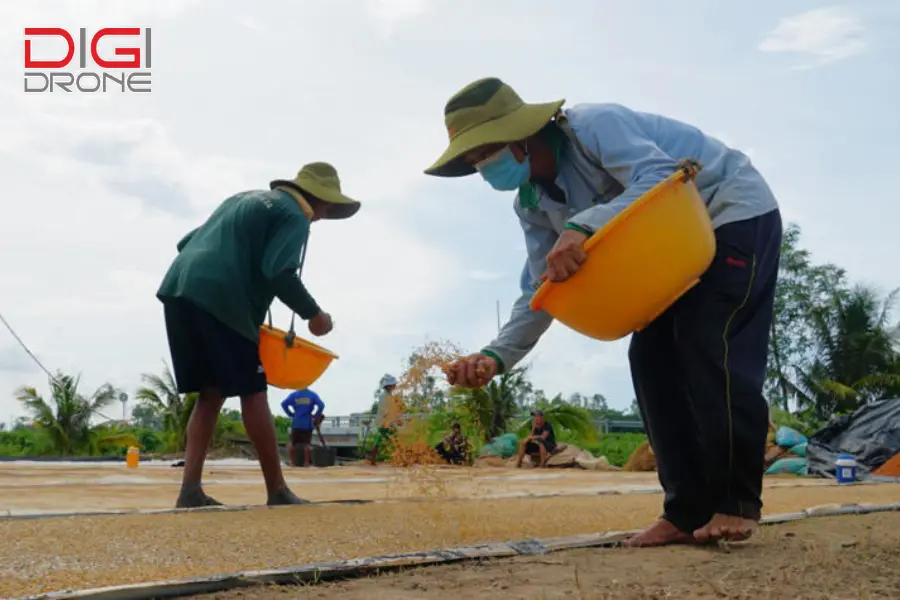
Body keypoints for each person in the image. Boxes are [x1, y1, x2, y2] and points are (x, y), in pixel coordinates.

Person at [429, 78, 782, 547]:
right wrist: (496, 357)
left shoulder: (593, 126)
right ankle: (685, 509)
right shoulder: (532, 204)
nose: (482, 166)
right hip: (665, 249)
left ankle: (736, 502)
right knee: (650, 356)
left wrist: (582, 226)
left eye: (485, 151)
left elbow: (664, 174)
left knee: (706, 338)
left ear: (521, 133)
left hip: (727, 213)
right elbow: (544, 287)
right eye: (473, 160)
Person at [156, 162, 361, 508]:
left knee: (211, 392)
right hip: (222, 298)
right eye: (327, 208)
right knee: (253, 390)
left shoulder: (242, 199)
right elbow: (279, 272)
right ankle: (277, 490)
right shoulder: (295, 215)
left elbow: (185, 243)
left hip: (179, 288)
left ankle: (189, 490)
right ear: (319, 199)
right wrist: (315, 315)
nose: (323, 217)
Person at [281, 387, 326, 467]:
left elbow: (283, 404)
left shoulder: (294, 395)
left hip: (296, 422)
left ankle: (292, 462)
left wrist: (290, 414)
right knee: (307, 444)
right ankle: (306, 463)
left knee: (293, 443)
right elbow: (321, 405)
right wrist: (316, 416)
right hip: (307, 423)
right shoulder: (312, 395)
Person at [367, 374, 400, 464]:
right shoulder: (384, 396)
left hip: (387, 421)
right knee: (394, 439)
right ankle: (400, 458)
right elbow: (386, 410)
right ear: (388, 386)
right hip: (384, 422)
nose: (394, 386)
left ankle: (372, 458)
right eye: (393, 385)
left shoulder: (388, 395)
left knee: (383, 440)